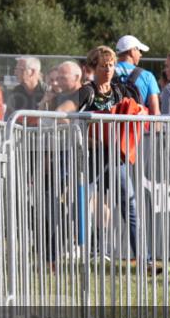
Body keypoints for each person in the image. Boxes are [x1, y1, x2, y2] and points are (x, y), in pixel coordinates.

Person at [57, 47, 155, 272]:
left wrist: (139, 114)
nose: (108, 69)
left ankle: (144, 259)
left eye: (111, 65)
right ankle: (84, 252)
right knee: (81, 203)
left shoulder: (121, 90)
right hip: (91, 158)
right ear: (93, 68)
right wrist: (87, 134)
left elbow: (140, 112)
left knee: (129, 204)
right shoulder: (86, 92)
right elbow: (62, 115)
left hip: (115, 157)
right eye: (103, 66)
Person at [115, 35, 161, 115]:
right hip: (137, 126)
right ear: (132, 51)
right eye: (140, 51)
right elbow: (155, 112)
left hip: (111, 125)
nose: (141, 55)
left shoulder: (106, 72)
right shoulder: (147, 76)